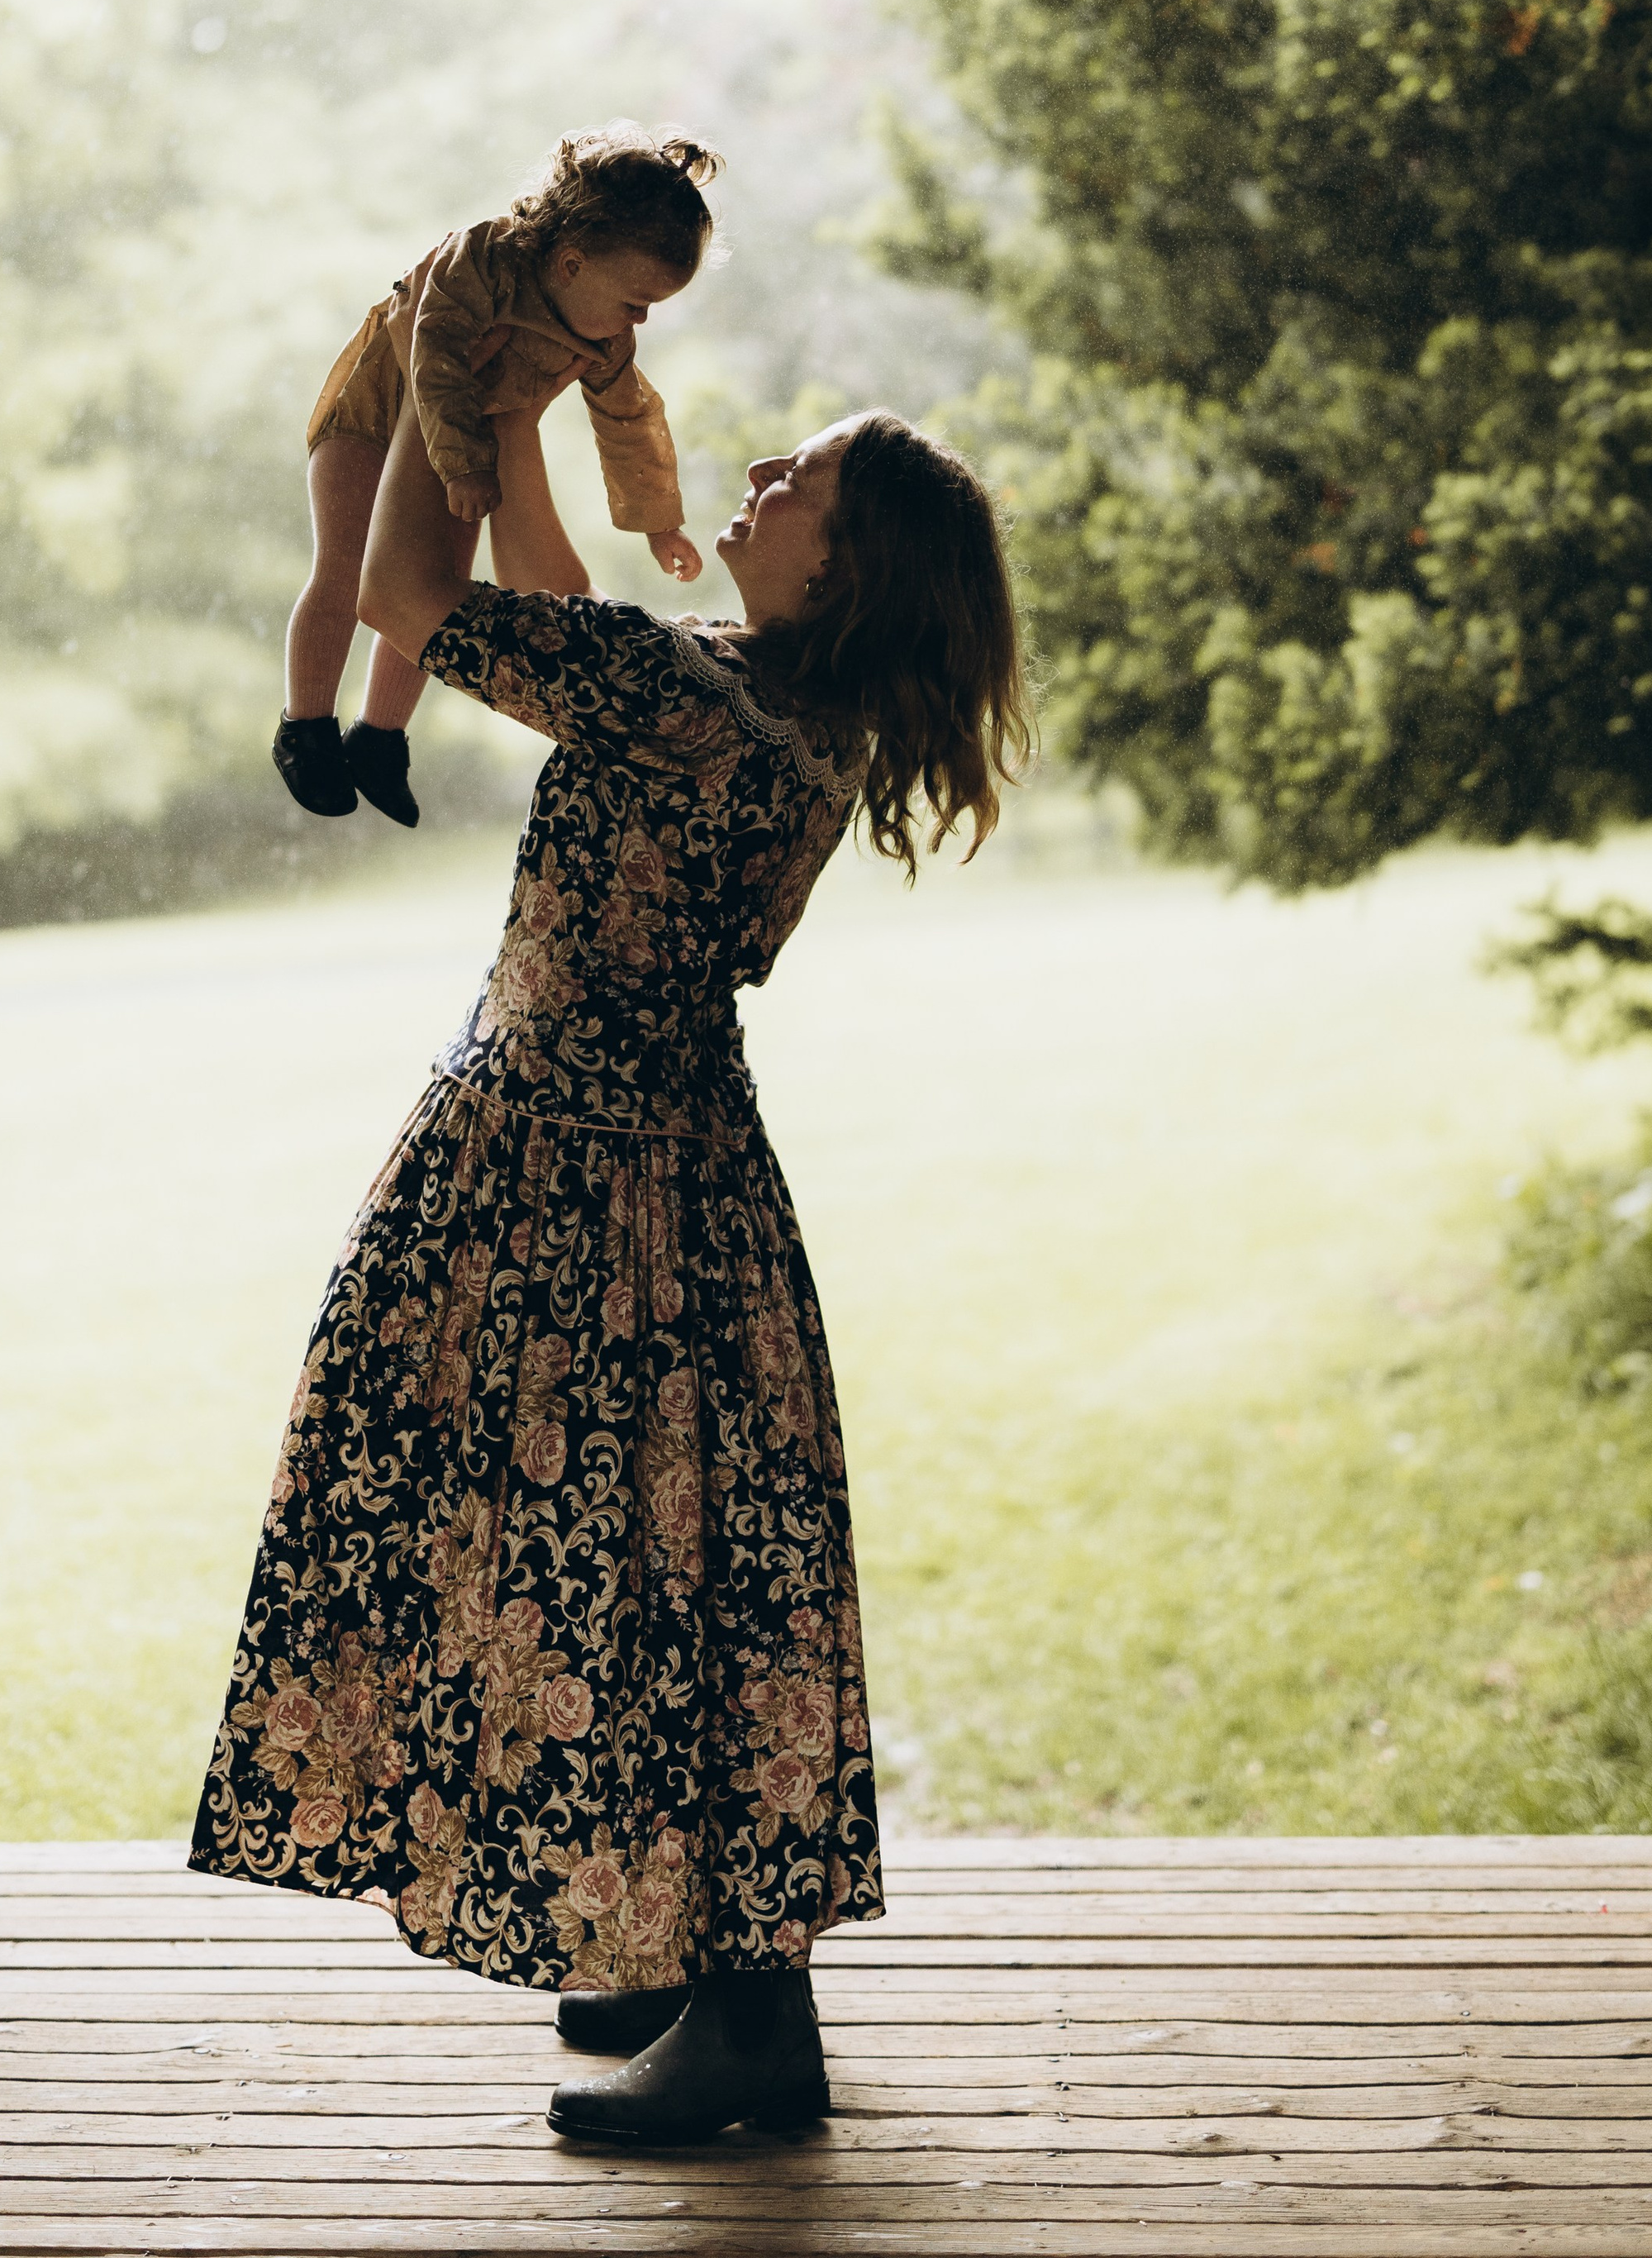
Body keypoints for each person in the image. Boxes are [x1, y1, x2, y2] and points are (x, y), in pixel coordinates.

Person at [190, 372, 1031, 2146]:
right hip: (677, 1182)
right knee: (676, 1566)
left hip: (577, 1184)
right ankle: (671, 1956)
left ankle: (747, 2029)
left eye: (794, 475)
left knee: (618, 1568)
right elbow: (543, 583)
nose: (756, 471)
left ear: (848, 555)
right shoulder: (767, 709)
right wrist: (508, 396)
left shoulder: (684, 704)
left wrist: (469, 370)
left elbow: (406, 601)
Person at [273, 121, 716, 832]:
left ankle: (380, 736)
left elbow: (627, 415)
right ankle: (305, 725)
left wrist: (659, 520)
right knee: (346, 566)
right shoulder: (482, 260)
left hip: (470, 442)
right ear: (571, 263)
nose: (639, 320)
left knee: (439, 586)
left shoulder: (604, 332)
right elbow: (435, 357)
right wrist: (466, 465)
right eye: (637, 300)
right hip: (378, 410)